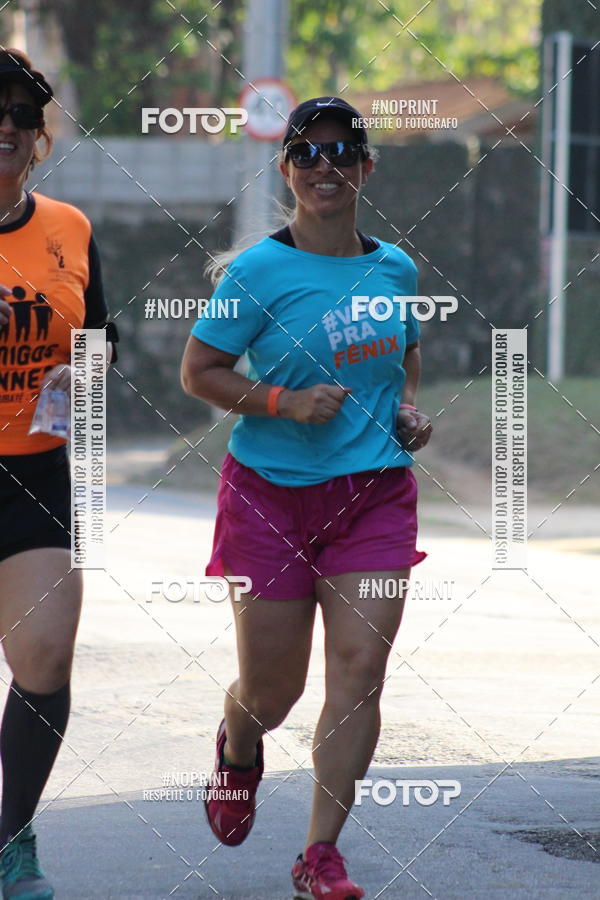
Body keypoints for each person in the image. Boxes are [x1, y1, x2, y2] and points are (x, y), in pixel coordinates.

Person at [181, 96, 432, 900]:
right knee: (274, 691)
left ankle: (320, 852)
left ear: (365, 168)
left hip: (373, 496)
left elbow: (404, 360)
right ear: (286, 168)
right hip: (270, 498)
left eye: (342, 153)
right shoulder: (257, 271)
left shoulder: (394, 267)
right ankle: (240, 747)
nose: (326, 167)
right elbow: (201, 373)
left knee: (360, 671)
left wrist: (405, 412)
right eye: (307, 154)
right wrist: (286, 403)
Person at [0, 49, 118, 899]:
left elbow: (96, 337)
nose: (4, 127)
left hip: (34, 473)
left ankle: (12, 844)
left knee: (44, 656)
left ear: (38, 139)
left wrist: (86, 373)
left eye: (19, 116)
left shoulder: (69, 228)